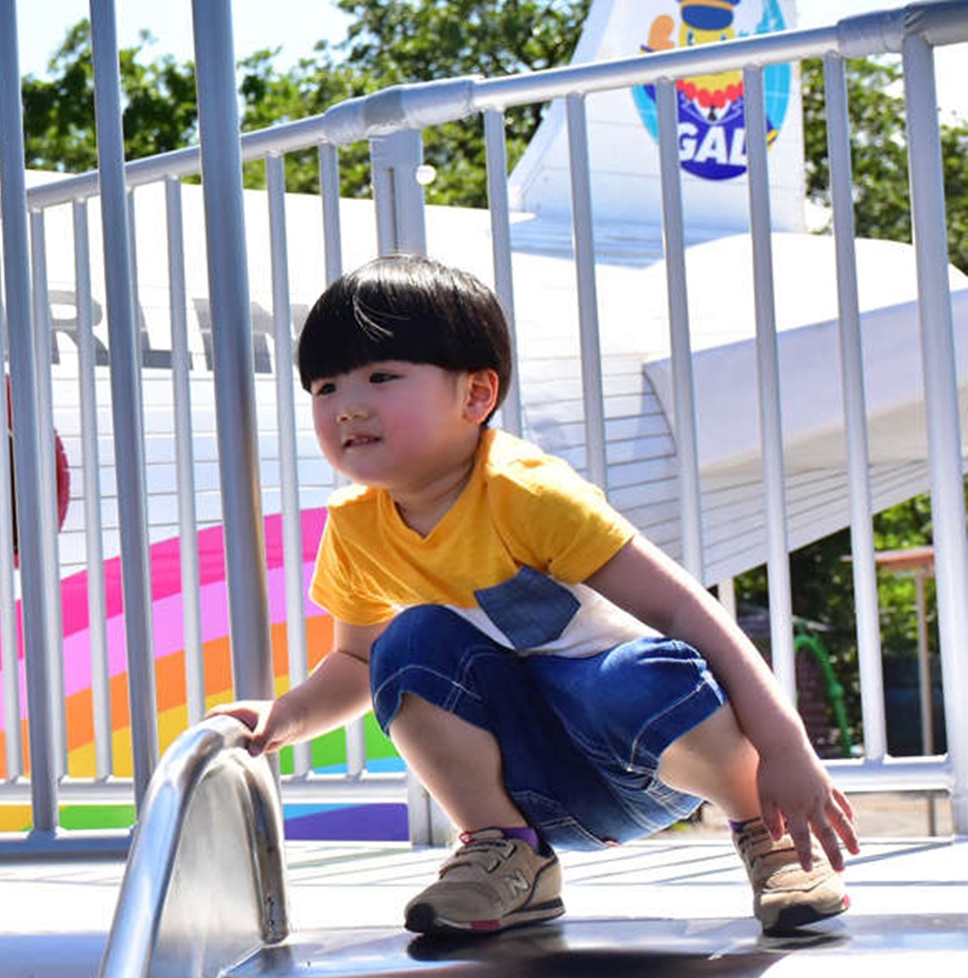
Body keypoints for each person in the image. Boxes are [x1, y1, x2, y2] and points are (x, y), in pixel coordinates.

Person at [211, 254, 858, 936]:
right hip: (532, 783)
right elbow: (356, 661)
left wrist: (786, 748)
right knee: (407, 642)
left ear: (476, 396)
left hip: (645, 753)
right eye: (325, 386)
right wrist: (287, 715)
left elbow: (681, 609)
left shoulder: (526, 493)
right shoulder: (354, 528)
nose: (349, 405)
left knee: (641, 670)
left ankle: (768, 827)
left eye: (381, 376)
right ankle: (507, 853)